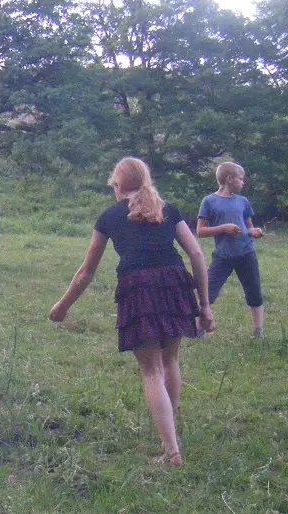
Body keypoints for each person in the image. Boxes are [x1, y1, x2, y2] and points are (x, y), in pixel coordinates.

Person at [50, 157, 213, 467]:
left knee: (151, 371)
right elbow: (195, 253)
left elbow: (87, 272)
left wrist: (63, 306)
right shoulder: (168, 209)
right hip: (174, 282)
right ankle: (172, 436)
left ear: (117, 185)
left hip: (138, 288)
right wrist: (204, 304)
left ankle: (171, 451)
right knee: (170, 360)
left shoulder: (109, 217)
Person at [197, 162, 265, 338]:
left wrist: (254, 231)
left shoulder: (243, 201)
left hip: (246, 253)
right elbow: (200, 231)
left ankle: (258, 332)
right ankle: (198, 330)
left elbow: (248, 226)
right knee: (207, 293)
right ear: (229, 179)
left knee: (254, 292)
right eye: (240, 179)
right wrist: (223, 228)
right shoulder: (209, 201)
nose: (243, 183)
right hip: (223, 256)